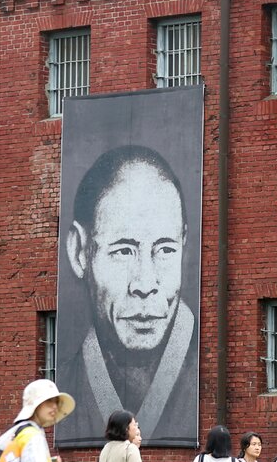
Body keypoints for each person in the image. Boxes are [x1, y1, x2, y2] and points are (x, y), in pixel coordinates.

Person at [60, 146, 198, 445]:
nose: (145, 283)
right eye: (123, 250)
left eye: (165, 249)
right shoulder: (66, 384)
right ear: (79, 251)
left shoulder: (203, 368)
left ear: (184, 244)